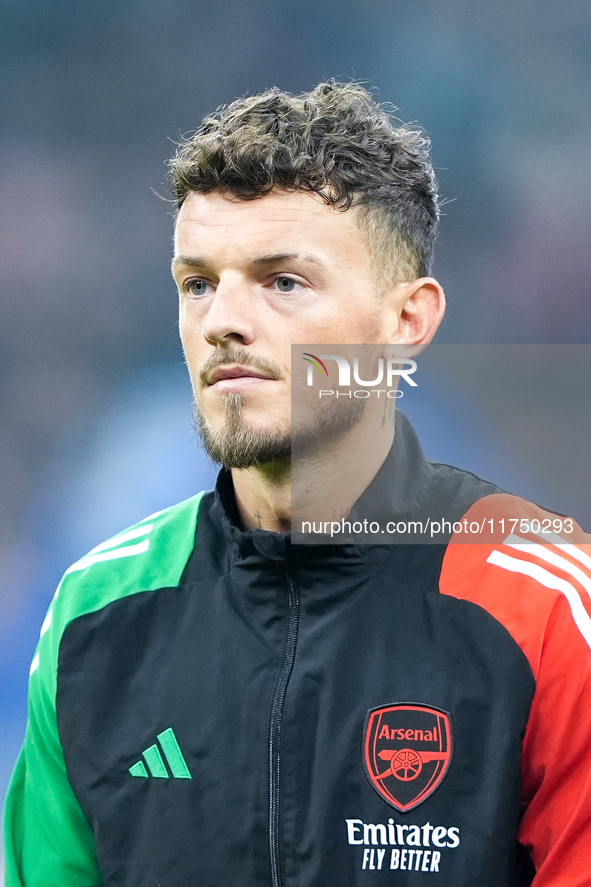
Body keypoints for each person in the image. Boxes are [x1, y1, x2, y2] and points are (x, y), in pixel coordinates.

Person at [4, 82, 591, 887]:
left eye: (283, 281)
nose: (223, 322)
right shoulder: (95, 610)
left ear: (405, 321)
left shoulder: (547, 605)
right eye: (198, 283)